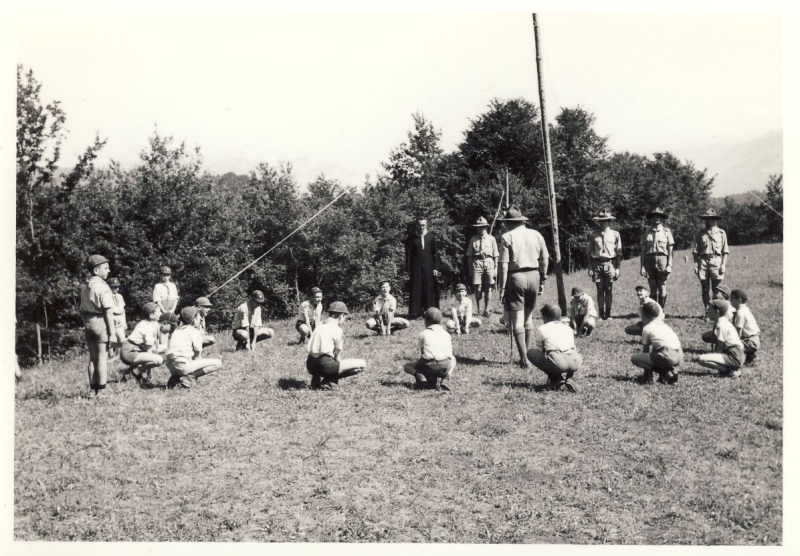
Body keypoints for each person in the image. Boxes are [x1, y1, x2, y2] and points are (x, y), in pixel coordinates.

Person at [496, 205, 550, 369]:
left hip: (516, 277)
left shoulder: (507, 237)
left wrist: (502, 288)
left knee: (518, 321)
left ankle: (524, 359)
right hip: (534, 276)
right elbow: (545, 259)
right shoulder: (536, 234)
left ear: (509, 222)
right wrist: (542, 279)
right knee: (528, 318)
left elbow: (503, 265)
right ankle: (527, 356)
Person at [79, 254, 123, 397]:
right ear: (96, 270)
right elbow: (108, 311)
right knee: (102, 357)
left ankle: (93, 390)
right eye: (106, 268)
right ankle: (102, 390)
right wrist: (112, 334)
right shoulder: (102, 287)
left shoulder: (85, 286)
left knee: (93, 358)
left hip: (88, 322)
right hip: (100, 321)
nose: (109, 270)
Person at [306, 301, 367, 389]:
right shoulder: (337, 329)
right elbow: (337, 354)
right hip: (325, 365)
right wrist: (337, 371)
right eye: (345, 317)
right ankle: (329, 381)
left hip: (310, 364)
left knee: (321, 359)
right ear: (341, 316)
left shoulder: (319, 326)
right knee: (362, 364)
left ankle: (316, 380)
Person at [526, 303, 582, 392]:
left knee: (530, 353)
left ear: (547, 318)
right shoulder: (567, 328)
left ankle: (556, 378)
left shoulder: (542, 328)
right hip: (575, 361)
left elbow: (540, 349)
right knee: (570, 351)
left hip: (558, 361)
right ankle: (570, 378)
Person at [165, 307, 223, 389]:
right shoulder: (194, 331)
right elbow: (197, 356)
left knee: (183, 361)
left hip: (170, 366)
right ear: (193, 320)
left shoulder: (177, 330)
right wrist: (197, 373)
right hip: (182, 367)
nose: (200, 320)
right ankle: (190, 378)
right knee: (218, 363)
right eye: (198, 317)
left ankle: (175, 378)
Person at [403, 307, 456, 391]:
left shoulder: (423, 334)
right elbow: (449, 354)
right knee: (453, 359)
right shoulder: (446, 334)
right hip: (444, 367)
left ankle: (420, 376)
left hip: (429, 366)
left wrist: (424, 369)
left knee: (407, 366)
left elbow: (422, 353)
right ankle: (446, 377)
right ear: (441, 322)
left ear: (426, 322)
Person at [630, 302, 683, 385]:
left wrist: (646, 374)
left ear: (644, 315)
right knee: (656, 350)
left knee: (635, 358)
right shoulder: (664, 325)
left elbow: (645, 351)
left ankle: (665, 373)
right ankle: (672, 371)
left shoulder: (647, 328)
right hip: (679, 354)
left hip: (667, 355)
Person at [692, 208, 730, 313]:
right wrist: (696, 265)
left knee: (717, 289)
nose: (708, 221)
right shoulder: (701, 234)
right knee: (705, 289)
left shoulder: (721, 233)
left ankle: (717, 311)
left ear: (715, 220)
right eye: (706, 219)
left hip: (716, 261)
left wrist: (723, 265)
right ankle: (707, 311)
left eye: (711, 219)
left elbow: (725, 251)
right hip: (703, 262)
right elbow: (695, 251)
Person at [120, 302, 164, 387]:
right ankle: (134, 373)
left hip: (132, 349)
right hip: (130, 352)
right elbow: (149, 351)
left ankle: (132, 371)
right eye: (159, 312)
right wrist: (148, 373)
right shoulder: (149, 327)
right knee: (159, 360)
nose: (161, 313)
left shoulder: (147, 323)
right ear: (151, 315)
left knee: (160, 350)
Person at [696, 300, 745, 378]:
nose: (707, 310)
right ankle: (731, 369)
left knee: (700, 359)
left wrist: (711, 357)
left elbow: (719, 349)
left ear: (717, 312)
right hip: (738, 354)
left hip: (734, 355)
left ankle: (730, 371)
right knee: (705, 357)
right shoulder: (723, 321)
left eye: (710, 308)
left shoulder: (721, 325)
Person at [588, 210, 622, 320]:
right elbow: (589, 252)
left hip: (610, 264)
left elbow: (618, 253)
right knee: (599, 289)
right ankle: (601, 314)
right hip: (597, 264)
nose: (601, 223)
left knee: (608, 289)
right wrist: (590, 267)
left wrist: (617, 268)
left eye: (604, 221)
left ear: (609, 222)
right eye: (600, 221)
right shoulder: (594, 235)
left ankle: (608, 313)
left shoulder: (615, 234)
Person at [639, 207, 675, 310]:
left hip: (662, 260)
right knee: (653, 287)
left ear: (662, 219)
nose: (656, 219)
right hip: (650, 260)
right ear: (651, 219)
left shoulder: (666, 232)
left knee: (662, 286)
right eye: (654, 217)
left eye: (659, 217)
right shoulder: (647, 232)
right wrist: (642, 266)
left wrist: (669, 265)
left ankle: (661, 310)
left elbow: (671, 251)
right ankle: (654, 311)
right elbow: (643, 251)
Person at [405, 216, 440, 318]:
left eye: (423, 225)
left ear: (426, 225)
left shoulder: (431, 237)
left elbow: (435, 254)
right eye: (420, 225)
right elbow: (408, 255)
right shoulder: (411, 239)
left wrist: (436, 268)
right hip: (415, 268)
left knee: (429, 289)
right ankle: (416, 312)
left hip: (429, 267)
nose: (421, 227)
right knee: (416, 288)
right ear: (416, 225)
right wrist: (408, 269)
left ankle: (430, 311)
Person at [466, 216, 499, 317]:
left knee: (488, 287)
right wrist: (470, 269)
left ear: (486, 227)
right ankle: (479, 310)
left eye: (483, 227)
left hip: (489, 263)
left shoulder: (491, 239)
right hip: (477, 263)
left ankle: (487, 310)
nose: (481, 229)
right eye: (479, 227)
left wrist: (496, 268)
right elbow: (469, 256)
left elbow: (496, 254)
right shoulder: (473, 239)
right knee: (478, 287)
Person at [730, 289, 760, 366]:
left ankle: (740, 359)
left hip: (750, 342)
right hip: (753, 340)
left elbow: (738, 334)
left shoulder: (741, 312)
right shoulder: (744, 309)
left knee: (729, 345)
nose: (730, 300)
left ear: (739, 300)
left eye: (732, 298)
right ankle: (749, 355)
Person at [107, 277, 127, 353]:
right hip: (112, 317)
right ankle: (111, 355)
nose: (116, 289)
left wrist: (124, 322)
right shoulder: (107, 297)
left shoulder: (119, 296)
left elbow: (123, 310)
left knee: (122, 340)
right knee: (112, 340)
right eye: (114, 287)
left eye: (117, 287)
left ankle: (118, 355)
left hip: (120, 318)